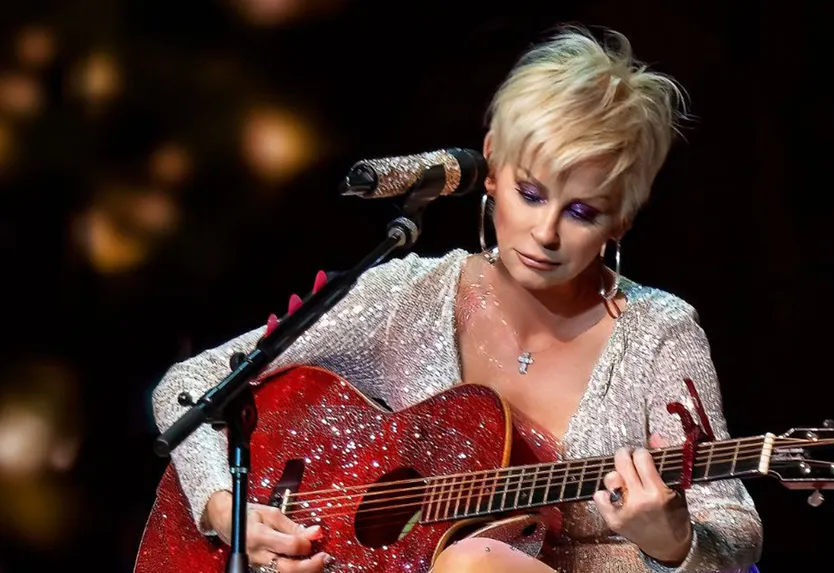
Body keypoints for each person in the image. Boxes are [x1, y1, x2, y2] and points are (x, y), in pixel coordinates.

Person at [151, 24, 763, 573]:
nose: (545, 233)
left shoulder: (660, 332)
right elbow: (192, 383)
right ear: (492, 168)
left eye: (582, 211)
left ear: (623, 220)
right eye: (529, 193)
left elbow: (736, 531)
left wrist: (674, 543)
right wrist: (225, 512)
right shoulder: (409, 296)